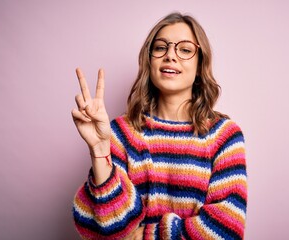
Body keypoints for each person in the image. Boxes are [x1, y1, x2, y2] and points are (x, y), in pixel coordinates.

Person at [71, 12, 247, 240]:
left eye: (184, 50)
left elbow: (226, 230)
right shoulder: (121, 133)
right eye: (160, 47)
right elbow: (104, 231)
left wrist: (146, 236)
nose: (170, 56)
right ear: (149, 59)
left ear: (200, 63)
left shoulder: (224, 136)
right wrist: (100, 150)